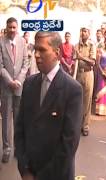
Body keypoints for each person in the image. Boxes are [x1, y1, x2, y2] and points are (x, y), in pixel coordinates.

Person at [14, 31, 83, 180]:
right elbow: (20, 130)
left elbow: (69, 144)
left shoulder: (72, 90)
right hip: (29, 172)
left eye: (42, 50)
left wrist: (41, 177)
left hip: (57, 175)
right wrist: (25, 170)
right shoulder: (29, 84)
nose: (36, 55)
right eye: (35, 49)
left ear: (57, 53)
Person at [0, 17, 30, 163]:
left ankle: (19, 148)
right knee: (6, 119)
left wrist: (18, 80)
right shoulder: (0, 42)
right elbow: (0, 66)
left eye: (14, 27)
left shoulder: (22, 42)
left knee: (19, 118)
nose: (12, 30)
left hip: (19, 86)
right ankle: (6, 149)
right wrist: (9, 81)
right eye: (10, 27)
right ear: (6, 27)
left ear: (17, 28)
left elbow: (26, 63)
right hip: (6, 87)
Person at [74, 27, 96, 136]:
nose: (83, 33)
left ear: (89, 33)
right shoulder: (76, 45)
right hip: (78, 74)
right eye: (81, 31)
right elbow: (74, 59)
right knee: (78, 100)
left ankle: (85, 126)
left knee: (87, 101)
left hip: (88, 74)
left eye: (85, 31)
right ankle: (78, 124)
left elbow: (92, 62)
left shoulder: (92, 45)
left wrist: (81, 57)